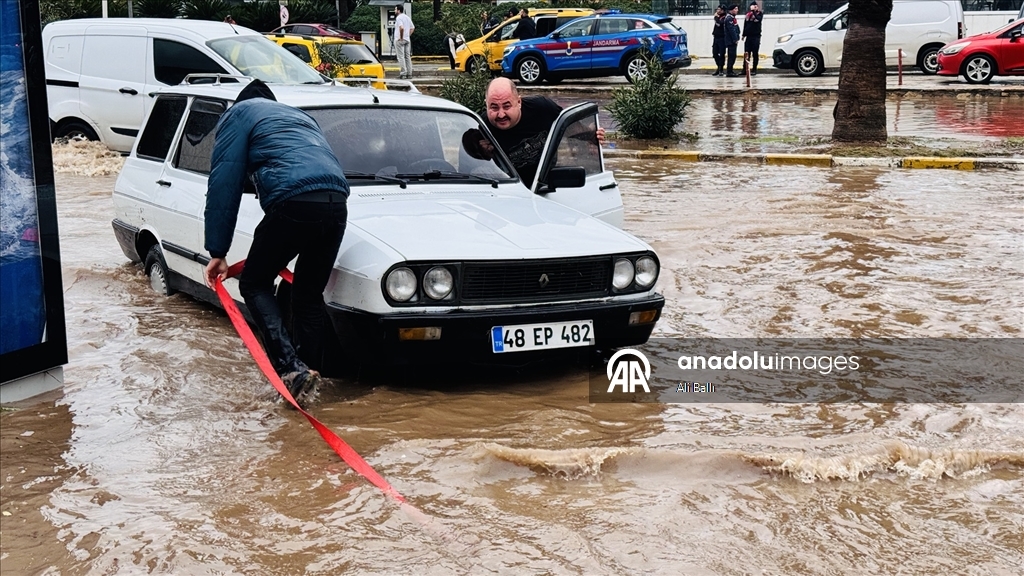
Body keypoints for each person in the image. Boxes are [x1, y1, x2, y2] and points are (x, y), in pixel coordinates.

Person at [203, 80, 349, 409]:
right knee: (308, 295)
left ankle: (290, 368)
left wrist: (218, 251)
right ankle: (310, 379)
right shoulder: (298, 117)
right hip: (336, 203)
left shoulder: (237, 114)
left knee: (254, 283)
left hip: (293, 201)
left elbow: (223, 181)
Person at [477, 78, 604, 185]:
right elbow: (469, 176)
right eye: (494, 107)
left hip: (545, 187)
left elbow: (574, 129)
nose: (501, 114)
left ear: (519, 102)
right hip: (506, 193)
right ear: (486, 105)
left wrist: (594, 136)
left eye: (507, 106)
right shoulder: (480, 129)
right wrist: (483, 158)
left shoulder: (542, 109)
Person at [743, 1, 764, 75]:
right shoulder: (748, 15)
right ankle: (745, 69)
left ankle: (754, 69)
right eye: (752, 6)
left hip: (756, 36)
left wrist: (754, 12)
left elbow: (759, 19)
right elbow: (745, 24)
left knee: (755, 53)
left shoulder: (759, 14)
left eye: (755, 6)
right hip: (748, 36)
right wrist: (743, 34)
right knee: (746, 53)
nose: (754, 7)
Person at [394, 5, 414, 79]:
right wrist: (407, 36)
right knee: (407, 57)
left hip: (400, 40)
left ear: (399, 10)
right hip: (407, 40)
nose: (394, 11)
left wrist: (401, 37)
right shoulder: (407, 17)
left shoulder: (399, 18)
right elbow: (412, 28)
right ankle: (409, 73)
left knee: (401, 57)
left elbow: (401, 28)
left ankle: (403, 74)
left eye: (395, 9)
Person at [724, 5, 742, 77]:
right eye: (735, 9)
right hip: (731, 41)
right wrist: (735, 39)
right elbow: (731, 30)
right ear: (731, 10)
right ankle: (729, 71)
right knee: (731, 56)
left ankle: (731, 70)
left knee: (733, 56)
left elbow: (736, 28)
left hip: (733, 40)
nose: (737, 10)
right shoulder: (729, 19)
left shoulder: (732, 18)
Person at [711, 6, 726, 76]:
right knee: (715, 53)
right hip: (716, 37)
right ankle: (718, 66)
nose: (718, 11)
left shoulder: (724, 17)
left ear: (723, 10)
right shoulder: (718, 17)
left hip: (722, 38)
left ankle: (721, 69)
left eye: (719, 9)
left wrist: (716, 17)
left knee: (722, 54)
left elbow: (720, 24)